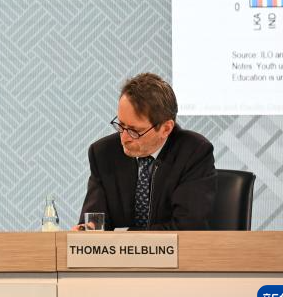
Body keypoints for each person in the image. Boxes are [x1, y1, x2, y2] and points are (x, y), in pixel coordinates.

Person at [76, 73, 216, 231]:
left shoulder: (194, 153)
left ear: (166, 128)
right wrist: (87, 229)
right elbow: (95, 219)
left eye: (135, 131)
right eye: (121, 125)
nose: (124, 138)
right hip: (117, 248)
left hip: (173, 248)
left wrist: (126, 236)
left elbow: (187, 228)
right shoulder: (103, 153)